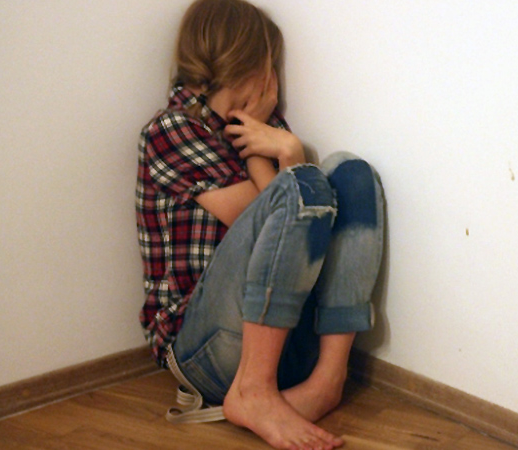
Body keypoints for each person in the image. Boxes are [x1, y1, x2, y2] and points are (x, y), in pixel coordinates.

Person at [134, 0, 384, 448]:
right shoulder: (171, 129)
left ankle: (327, 381)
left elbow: (298, 225)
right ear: (247, 61)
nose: (275, 80)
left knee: (352, 172)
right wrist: (284, 152)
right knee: (302, 183)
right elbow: (270, 214)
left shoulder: (264, 130)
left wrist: (283, 148)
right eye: (271, 64)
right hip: (202, 348)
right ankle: (253, 390)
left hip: (284, 341)